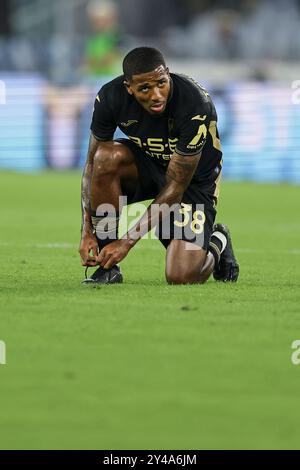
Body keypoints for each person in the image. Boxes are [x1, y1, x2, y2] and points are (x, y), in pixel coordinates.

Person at [79, 46, 239, 285]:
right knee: (105, 157)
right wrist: (87, 229)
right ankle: (108, 267)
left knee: (181, 276)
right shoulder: (110, 97)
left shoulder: (194, 105)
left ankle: (217, 240)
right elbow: (91, 167)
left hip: (190, 183)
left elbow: (175, 187)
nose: (156, 95)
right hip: (148, 167)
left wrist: (127, 241)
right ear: (128, 87)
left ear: (168, 74)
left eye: (161, 83)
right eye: (145, 88)